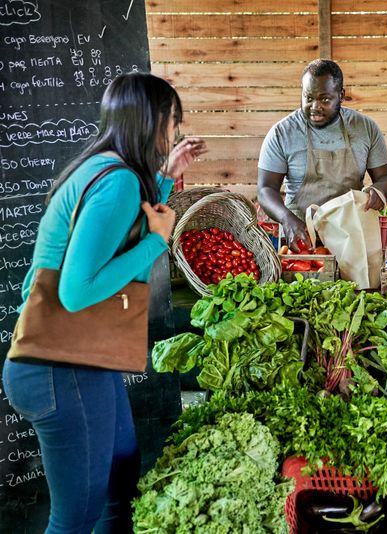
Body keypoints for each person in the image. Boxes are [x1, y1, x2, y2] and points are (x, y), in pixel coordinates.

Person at [2, 72, 206, 533]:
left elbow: (107, 239)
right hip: (61, 367)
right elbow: (77, 292)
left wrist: (166, 180)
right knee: (75, 519)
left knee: (120, 479)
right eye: (173, 120)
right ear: (153, 120)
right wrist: (158, 243)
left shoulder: (103, 168)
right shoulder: (117, 183)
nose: (175, 131)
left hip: (74, 360)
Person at [257, 59, 387, 251]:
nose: (315, 106)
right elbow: (265, 188)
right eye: (308, 98)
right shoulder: (282, 133)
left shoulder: (365, 128)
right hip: (301, 238)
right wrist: (286, 219)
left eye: (324, 99)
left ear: (341, 95)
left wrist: (379, 191)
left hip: (351, 236)